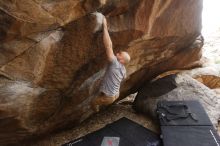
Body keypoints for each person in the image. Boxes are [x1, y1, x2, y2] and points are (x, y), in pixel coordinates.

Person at [91, 17, 131, 112]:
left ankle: (96, 112)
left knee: (93, 102)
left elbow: (108, 46)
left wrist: (104, 26)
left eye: (120, 54)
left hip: (109, 97)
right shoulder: (123, 69)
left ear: (121, 61)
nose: (117, 53)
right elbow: (124, 77)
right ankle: (103, 98)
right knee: (102, 94)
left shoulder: (115, 63)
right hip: (115, 94)